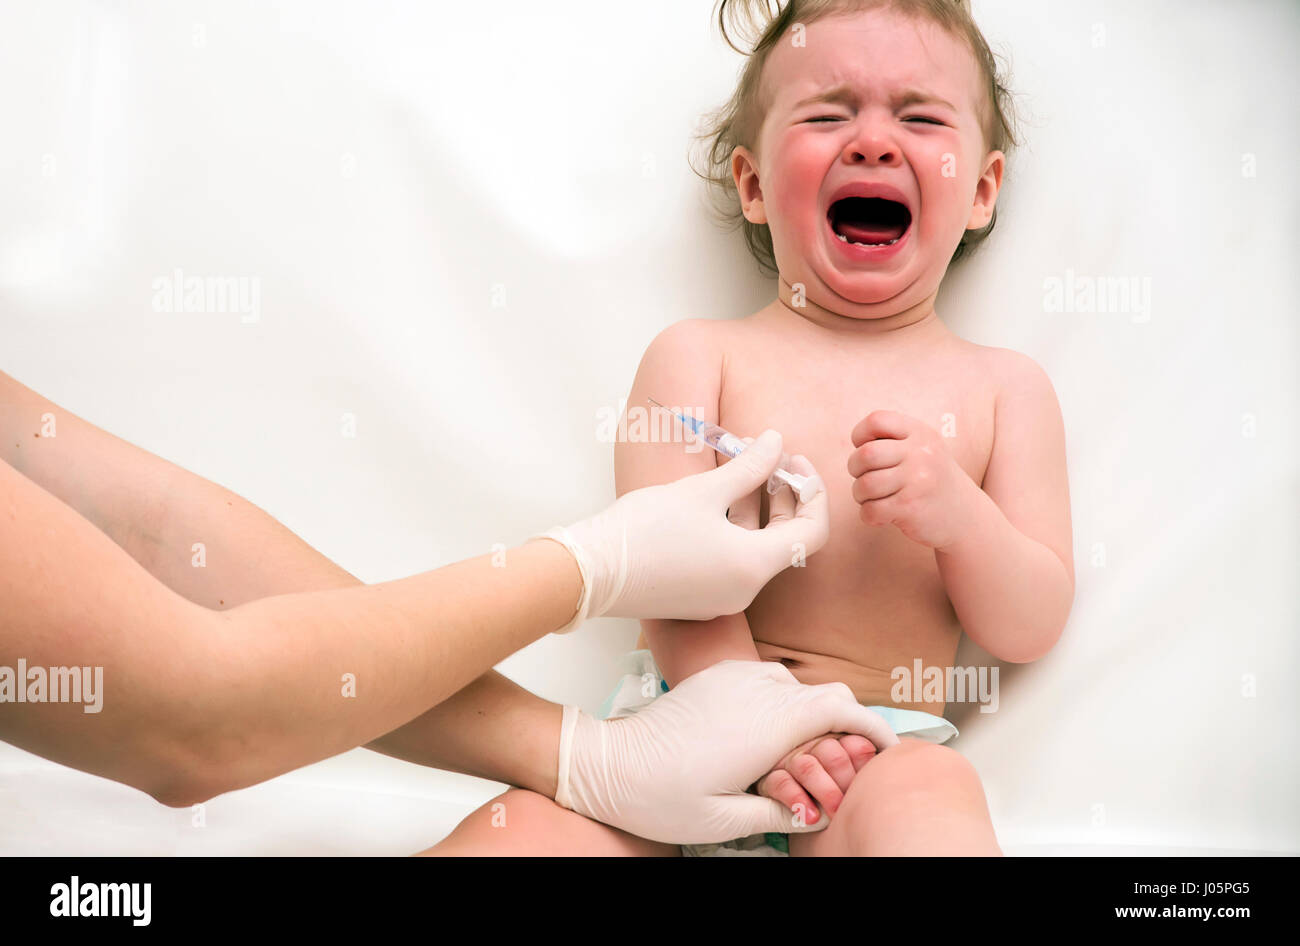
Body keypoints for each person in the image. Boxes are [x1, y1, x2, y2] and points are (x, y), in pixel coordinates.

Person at [435, 0, 1073, 856]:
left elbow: (1028, 624)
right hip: (670, 744)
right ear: (755, 186)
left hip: (868, 757)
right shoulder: (698, 359)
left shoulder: (1005, 390)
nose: (874, 141)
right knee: (525, 832)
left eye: (919, 117)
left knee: (932, 799)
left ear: (982, 190)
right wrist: (761, 727)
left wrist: (962, 517)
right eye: (827, 114)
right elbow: (657, 575)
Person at [0, 367, 899, 848]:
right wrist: (592, 565)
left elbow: (151, 530)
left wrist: (583, 756)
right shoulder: (697, 356)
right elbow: (191, 720)